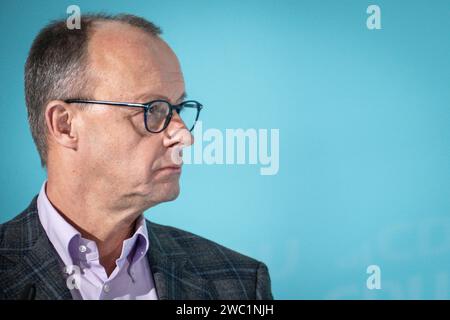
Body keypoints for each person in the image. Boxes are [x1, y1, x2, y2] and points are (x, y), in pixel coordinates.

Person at [0, 13, 273, 300]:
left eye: (178, 108)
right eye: (152, 109)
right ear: (65, 125)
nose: (184, 136)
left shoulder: (238, 284)